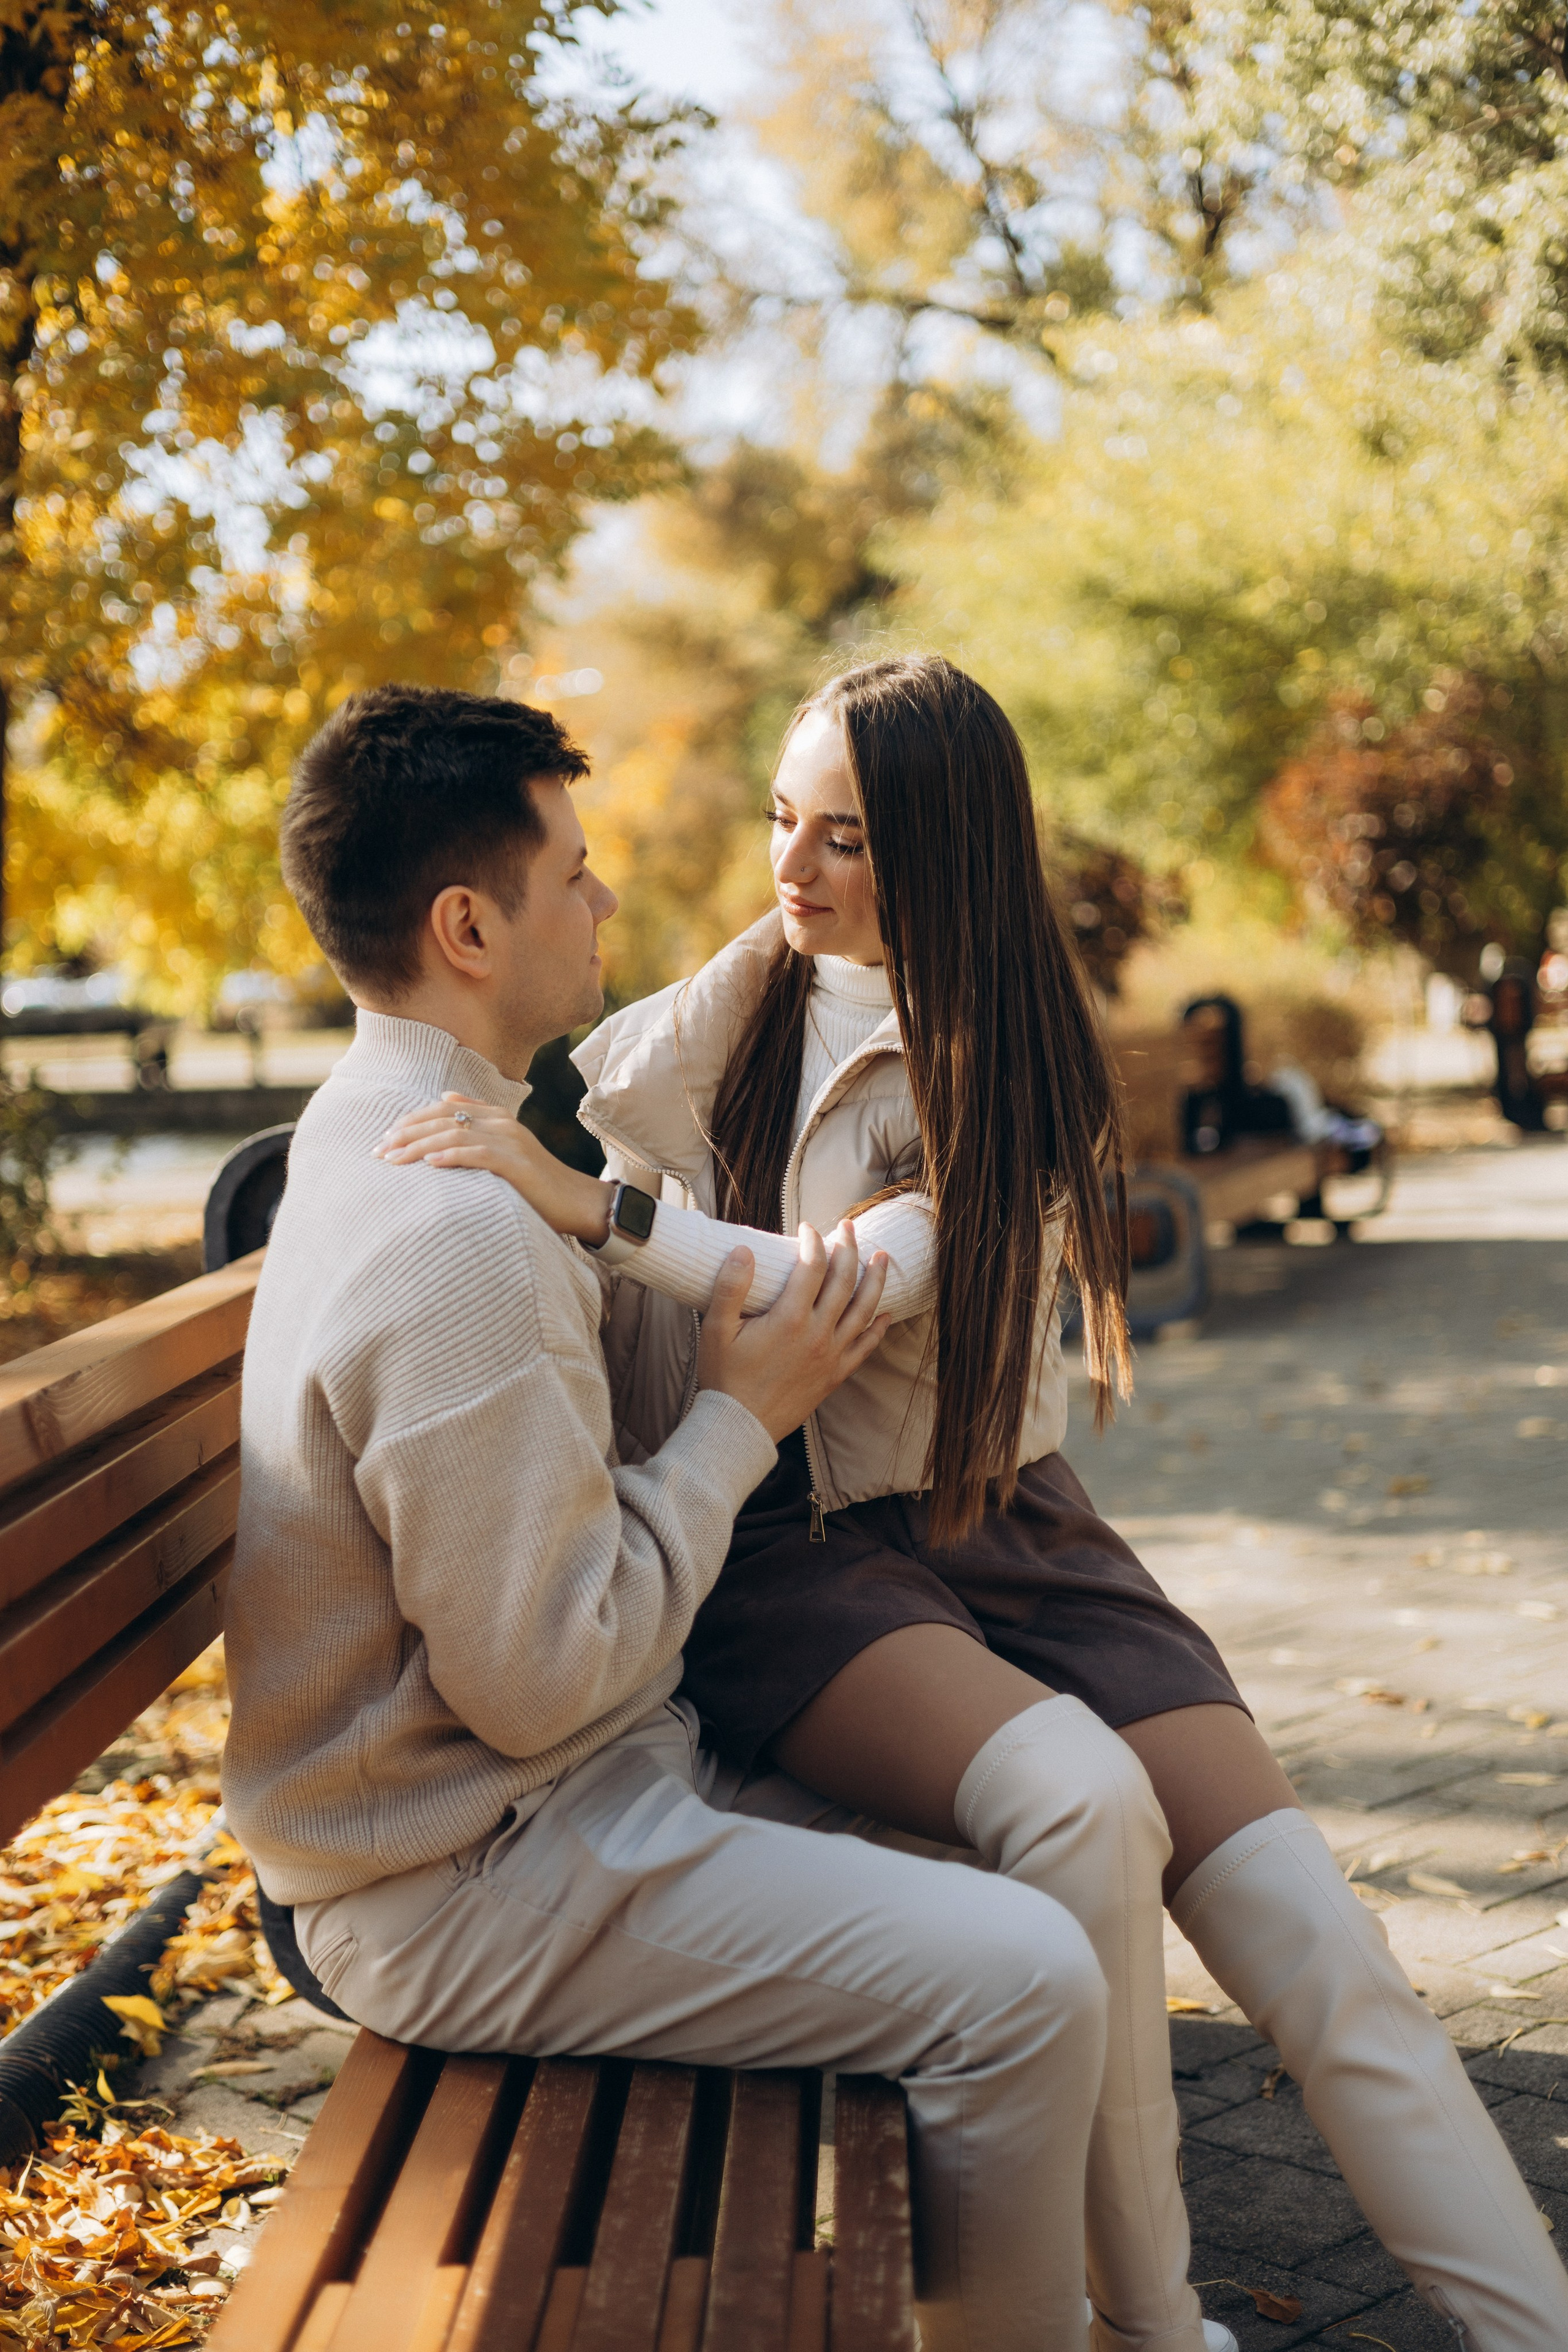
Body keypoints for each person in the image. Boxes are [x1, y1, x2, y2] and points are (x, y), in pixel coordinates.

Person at [385, 654, 1568, 2352]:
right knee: (1084, 1813)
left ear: (943, 849)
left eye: (848, 838)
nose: (795, 868)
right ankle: (1161, 2331)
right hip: (795, 1553)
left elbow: (831, 1287)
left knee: (1317, 1932)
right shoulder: (710, 1025)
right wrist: (564, 1196)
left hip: (1011, 1525)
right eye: (790, 823)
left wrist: (589, 1209)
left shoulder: (1012, 1059)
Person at [223, 679, 1191, 2352]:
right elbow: (541, 1682)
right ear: (468, 925)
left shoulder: (375, 1123)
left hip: (535, 1802)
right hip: (463, 1872)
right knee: (1025, 1985)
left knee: (1015, 1858)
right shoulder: (456, 1246)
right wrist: (744, 1423)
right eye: (574, 875)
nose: (607, 902)